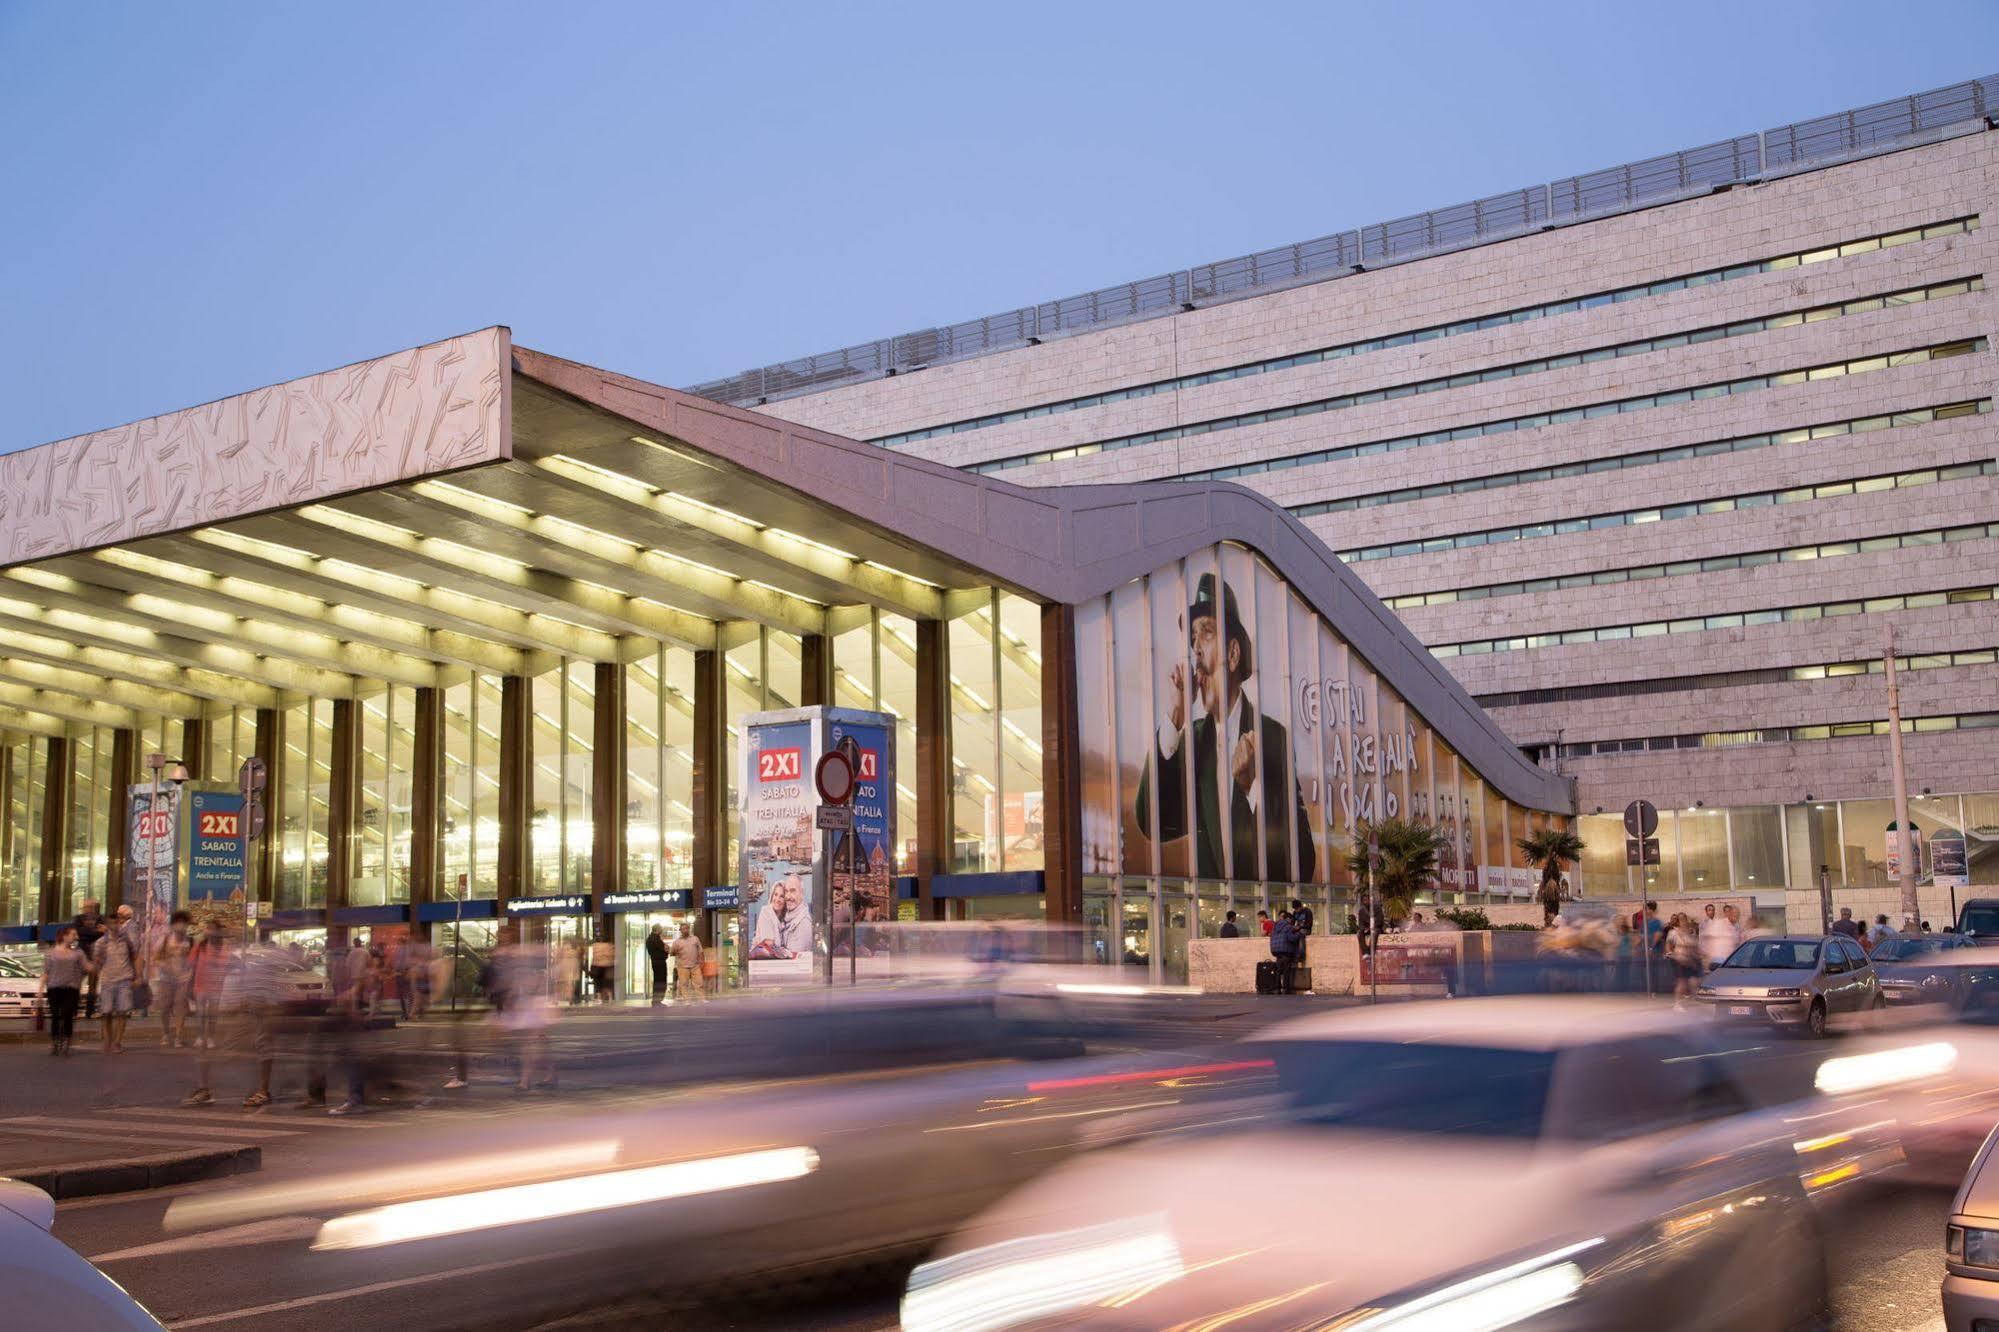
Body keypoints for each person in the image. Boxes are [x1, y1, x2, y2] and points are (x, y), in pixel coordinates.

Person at [1134, 573, 1316, 883]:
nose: (1196, 650)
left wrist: (1251, 788)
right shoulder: (1190, 740)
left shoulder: (1271, 737)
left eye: (1205, 633)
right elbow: (1153, 823)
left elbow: (1303, 860)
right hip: (1210, 913)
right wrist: (1174, 717)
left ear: (1233, 654)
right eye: (1192, 639)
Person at [91, 904, 139, 1054]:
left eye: (116, 923)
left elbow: (134, 956)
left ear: (120, 924)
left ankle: (117, 1042)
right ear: (107, 925)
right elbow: (96, 962)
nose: (113, 926)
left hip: (124, 979)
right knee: (106, 1012)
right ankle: (108, 1040)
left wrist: (137, 975)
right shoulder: (101, 943)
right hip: (107, 980)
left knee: (122, 1012)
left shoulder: (127, 940)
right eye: (110, 923)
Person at [188, 919, 231, 1051]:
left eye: (212, 928)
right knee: (200, 1014)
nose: (209, 931)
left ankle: (211, 1038)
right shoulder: (200, 945)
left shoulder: (224, 947)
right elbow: (190, 962)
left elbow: (225, 964)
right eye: (208, 928)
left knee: (212, 1014)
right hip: (200, 985)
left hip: (215, 986)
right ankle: (200, 1037)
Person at [41, 927, 85, 1055]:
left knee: (67, 1015)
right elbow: (46, 972)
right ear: (64, 936)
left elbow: (86, 966)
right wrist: (40, 990)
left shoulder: (77, 953)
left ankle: (66, 1040)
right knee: (55, 1015)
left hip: (71, 989)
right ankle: (55, 1042)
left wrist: (97, 964)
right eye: (73, 934)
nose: (76, 937)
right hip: (54, 988)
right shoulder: (50, 953)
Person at [153, 910, 194, 1048]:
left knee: (180, 1008)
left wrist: (190, 974)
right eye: (179, 923)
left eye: (184, 923)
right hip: (166, 978)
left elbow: (193, 960)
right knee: (165, 1007)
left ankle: (178, 1036)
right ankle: (165, 1033)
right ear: (173, 924)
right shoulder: (165, 939)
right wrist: (164, 965)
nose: (181, 926)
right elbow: (156, 958)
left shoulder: (190, 941)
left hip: (183, 979)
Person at [749, 876, 813, 958]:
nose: (777, 899)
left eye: (782, 896)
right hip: (761, 965)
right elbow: (768, 944)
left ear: (802, 892)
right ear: (771, 896)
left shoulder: (801, 923)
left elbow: (794, 959)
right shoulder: (766, 912)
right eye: (775, 894)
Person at [73, 898, 105, 1019]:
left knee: (93, 985)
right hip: (82, 955)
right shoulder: (78, 919)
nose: (88, 909)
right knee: (77, 984)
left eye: (90, 906)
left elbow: (102, 932)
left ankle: (89, 1012)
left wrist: (90, 932)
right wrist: (95, 931)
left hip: (95, 956)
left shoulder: (100, 918)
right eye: (86, 907)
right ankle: (74, 1011)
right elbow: (79, 932)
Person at [1667, 912, 1701, 1009]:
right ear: (1678, 921)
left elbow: (1695, 946)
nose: (1683, 921)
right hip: (1680, 960)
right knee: (1682, 982)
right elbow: (1668, 946)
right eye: (1681, 919)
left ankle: (1694, 1001)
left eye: (1684, 919)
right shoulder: (1673, 932)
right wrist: (1671, 954)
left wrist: (1699, 954)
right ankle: (1677, 1004)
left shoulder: (1690, 932)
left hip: (1690, 960)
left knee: (1694, 981)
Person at [1698, 902, 1741, 972]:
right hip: (1718, 962)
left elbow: (1738, 943)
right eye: (1734, 913)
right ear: (1729, 913)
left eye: (1738, 914)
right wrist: (1706, 956)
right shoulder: (1719, 923)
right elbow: (1704, 939)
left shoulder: (1737, 926)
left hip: (1732, 962)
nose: (1736, 915)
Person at [1268, 908, 1301, 994]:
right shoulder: (1288, 926)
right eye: (1291, 920)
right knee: (1286, 970)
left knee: (1278, 970)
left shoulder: (1275, 926)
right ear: (1288, 919)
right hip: (1286, 951)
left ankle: (1277, 988)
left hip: (1276, 950)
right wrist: (1298, 934)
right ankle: (1286, 989)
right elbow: (1291, 938)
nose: (1292, 922)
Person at [668, 925, 705, 1003]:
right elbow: (671, 953)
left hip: (695, 965)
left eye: (686, 928)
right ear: (680, 930)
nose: (685, 930)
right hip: (682, 966)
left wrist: (702, 961)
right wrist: (674, 951)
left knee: (699, 983)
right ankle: (686, 1000)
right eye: (683, 929)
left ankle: (702, 999)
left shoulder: (695, 939)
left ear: (689, 929)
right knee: (684, 984)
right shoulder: (677, 942)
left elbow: (700, 951)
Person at [645, 924, 670, 1007]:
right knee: (661, 981)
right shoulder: (656, 939)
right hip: (660, 962)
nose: (662, 930)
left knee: (657, 980)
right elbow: (665, 949)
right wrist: (666, 950)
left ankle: (656, 1000)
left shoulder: (649, 939)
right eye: (661, 929)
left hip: (655, 962)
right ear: (658, 930)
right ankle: (657, 1000)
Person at [588, 935, 615, 1004]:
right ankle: (610, 997)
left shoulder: (595, 946)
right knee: (607, 983)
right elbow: (613, 956)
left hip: (597, 966)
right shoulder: (610, 946)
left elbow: (593, 957)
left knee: (598, 983)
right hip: (608, 966)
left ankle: (600, 998)